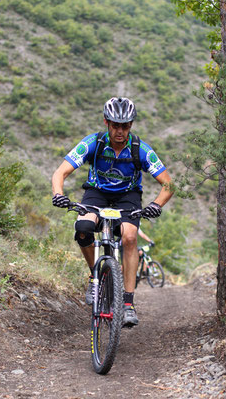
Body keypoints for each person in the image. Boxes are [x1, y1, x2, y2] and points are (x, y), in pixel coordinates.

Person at [52, 97, 173, 328]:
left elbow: (169, 184)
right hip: (96, 194)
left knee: (129, 238)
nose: (120, 131)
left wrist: (156, 204)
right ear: (106, 122)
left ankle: (128, 304)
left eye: (125, 126)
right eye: (115, 125)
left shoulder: (141, 149)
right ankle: (94, 276)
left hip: (128, 198)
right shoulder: (93, 143)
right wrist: (58, 193)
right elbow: (60, 172)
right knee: (83, 229)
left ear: (131, 125)